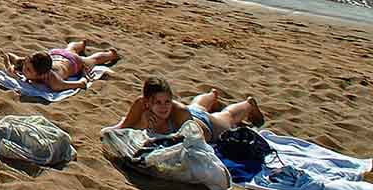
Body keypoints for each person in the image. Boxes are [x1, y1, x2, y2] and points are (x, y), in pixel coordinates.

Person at [111, 76, 266, 142]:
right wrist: (140, 126)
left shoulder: (180, 112)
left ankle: (248, 104)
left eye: (167, 101)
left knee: (228, 116)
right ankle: (212, 95)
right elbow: (118, 129)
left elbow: (198, 139)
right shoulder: (140, 104)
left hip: (205, 125)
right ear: (147, 103)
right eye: (157, 102)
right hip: (192, 110)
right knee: (198, 105)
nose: (164, 107)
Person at [4, 41, 120, 93]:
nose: (24, 69)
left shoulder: (54, 82)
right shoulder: (30, 62)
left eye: (28, 69)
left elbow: (81, 84)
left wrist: (84, 75)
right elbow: (8, 55)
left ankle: (111, 55)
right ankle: (81, 44)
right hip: (54, 54)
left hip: (73, 61)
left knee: (92, 60)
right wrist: (11, 67)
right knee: (69, 49)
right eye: (25, 66)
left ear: (41, 74)